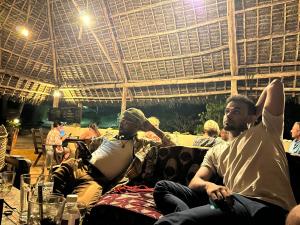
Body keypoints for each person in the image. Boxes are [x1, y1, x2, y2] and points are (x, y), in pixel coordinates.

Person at [153, 79, 296, 225]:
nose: (229, 114)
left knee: (167, 223)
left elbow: (275, 85)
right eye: (227, 111)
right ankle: (186, 215)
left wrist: (254, 114)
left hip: (264, 206)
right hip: (231, 202)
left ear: (251, 117)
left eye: (236, 111)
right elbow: (195, 182)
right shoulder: (216, 151)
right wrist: (209, 186)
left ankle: (184, 218)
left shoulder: (266, 130)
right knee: (162, 187)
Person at [52, 108, 175, 212]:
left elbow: (173, 146)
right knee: (55, 181)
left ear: (137, 126)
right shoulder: (108, 136)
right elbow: (92, 150)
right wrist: (85, 152)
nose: (123, 122)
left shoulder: (141, 144)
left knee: (80, 208)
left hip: (96, 181)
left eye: (128, 121)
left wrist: (153, 128)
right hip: (79, 166)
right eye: (123, 119)